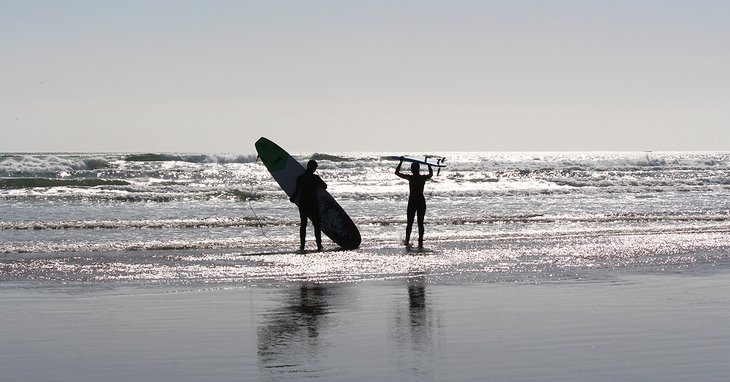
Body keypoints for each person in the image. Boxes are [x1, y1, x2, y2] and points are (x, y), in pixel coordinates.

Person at [395, 157, 433, 249]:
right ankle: (420, 241)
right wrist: (428, 164)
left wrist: (401, 162)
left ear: (412, 169)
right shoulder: (422, 178)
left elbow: (397, 173)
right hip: (421, 201)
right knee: (420, 223)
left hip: (412, 201)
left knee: (410, 223)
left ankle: (407, 241)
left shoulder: (410, 178)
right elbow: (431, 174)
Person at [291, 160, 326, 252]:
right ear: (311, 167)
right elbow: (325, 186)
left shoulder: (301, 178)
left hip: (303, 203)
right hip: (313, 203)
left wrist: (293, 198)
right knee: (316, 225)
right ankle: (319, 245)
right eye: (314, 168)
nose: (315, 169)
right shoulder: (315, 178)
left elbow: (297, 192)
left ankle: (302, 246)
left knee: (303, 224)